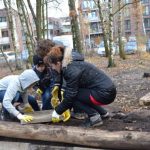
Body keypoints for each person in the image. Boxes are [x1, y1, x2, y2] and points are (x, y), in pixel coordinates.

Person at [47, 46, 117, 127]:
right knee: (78, 94)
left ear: (58, 63)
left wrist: (57, 111)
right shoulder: (72, 63)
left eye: (52, 66)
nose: (53, 69)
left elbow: (70, 96)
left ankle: (94, 117)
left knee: (71, 96)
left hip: (104, 94)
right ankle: (103, 113)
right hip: (106, 91)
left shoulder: (70, 69)